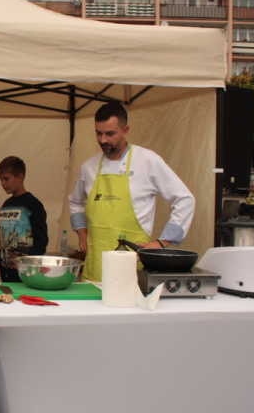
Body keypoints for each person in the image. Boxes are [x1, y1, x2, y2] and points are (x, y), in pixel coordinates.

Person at [68, 103, 195, 282]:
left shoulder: (148, 161)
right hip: (95, 268)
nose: (103, 140)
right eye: (99, 133)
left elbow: (185, 200)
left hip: (132, 268)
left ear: (125, 130)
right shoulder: (88, 167)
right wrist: (81, 231)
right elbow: (75, 202)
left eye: (110, 133)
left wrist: (162, 242)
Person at [0, 156, 48, 283]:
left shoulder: (32, 204)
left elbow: (42, 240)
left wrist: (28, 264)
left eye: (6, 178)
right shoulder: (5, 205)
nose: (2, 183)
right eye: (0, 179)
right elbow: (6, 241)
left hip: (25, 274)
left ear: (20, 177)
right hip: (6, 272)